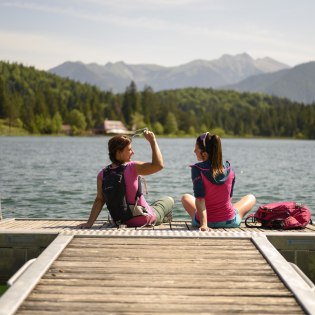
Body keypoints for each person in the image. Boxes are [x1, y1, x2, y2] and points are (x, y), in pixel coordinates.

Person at [78, 129, 174, 228]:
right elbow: (159, 166)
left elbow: (99, 200)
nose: (133, 152)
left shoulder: (102, 174)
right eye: (129, 149)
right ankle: (164, 218)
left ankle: (163, 217)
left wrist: (89, 223)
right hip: (143, 220)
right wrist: (153, 141)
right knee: (168, 200)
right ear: (118, 152)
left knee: (153, 206)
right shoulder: (132, 167)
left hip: (120, 222)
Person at [181, 132, 256, 231]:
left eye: (196, 148)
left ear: (204, 154)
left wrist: (204, 225)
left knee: (185, 197)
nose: (194, 151)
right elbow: (229, 198)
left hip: (203, 222)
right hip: (229, 221)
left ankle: (208, 220)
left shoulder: (197, 169)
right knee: (251, 198)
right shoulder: (229, 169)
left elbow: (200, 199)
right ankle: (224, 215)